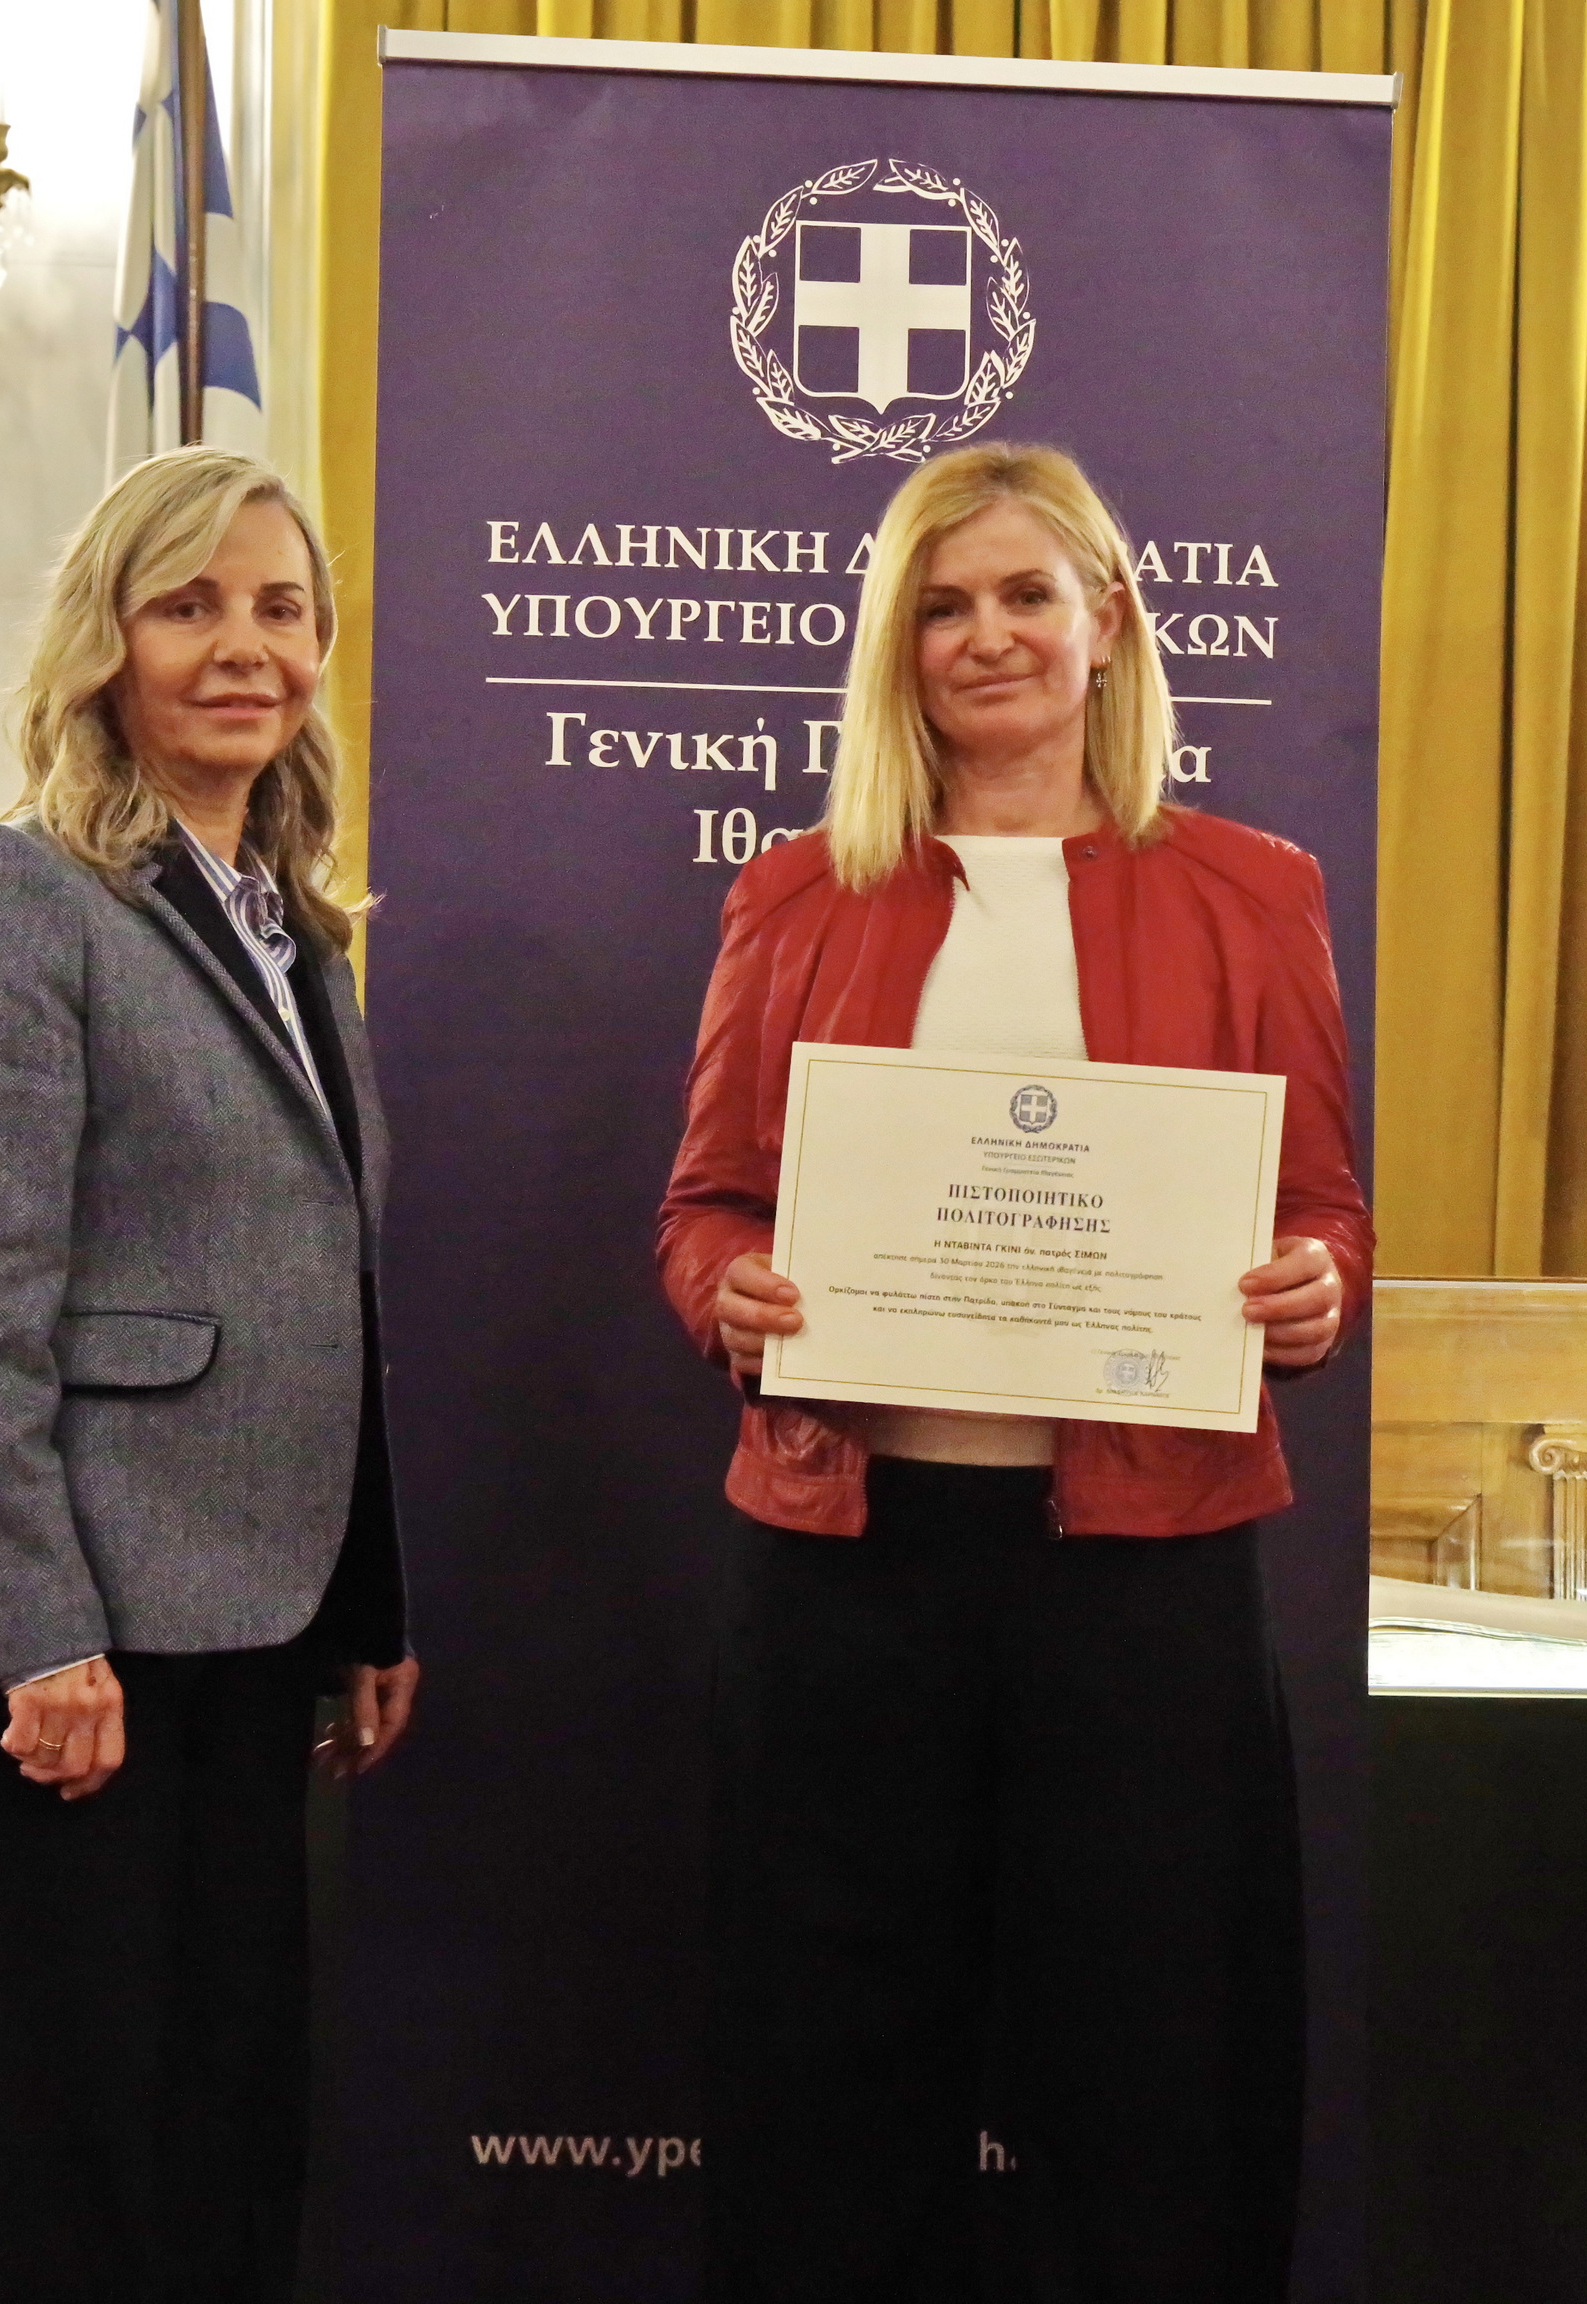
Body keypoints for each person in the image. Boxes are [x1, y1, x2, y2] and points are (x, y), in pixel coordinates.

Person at [656, 441, 1371, 2302]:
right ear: (896, 648)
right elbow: (707, 1206)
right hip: (846, 1562)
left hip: (1143, 1576)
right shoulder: (796, 894)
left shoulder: (1256, 891)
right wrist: (735, 1295)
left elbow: (1323, 1211)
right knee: (828, 2070)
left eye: (1027, 596)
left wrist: (1314, 1291)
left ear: (1108, 622)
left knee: (1152, 2075)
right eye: (943, 606)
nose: (988, 637)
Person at [0, 447, 419, 2303]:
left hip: (250, 1643)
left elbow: (319, 1292)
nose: (243, 647)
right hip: (72, 1652)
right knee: (53, 2174)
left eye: (280, 608)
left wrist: (367, 1605)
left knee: (215, 2147)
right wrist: (36, 1633)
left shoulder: (295, 932)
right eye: (189, 605)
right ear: (103, 643)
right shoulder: (14, 895)